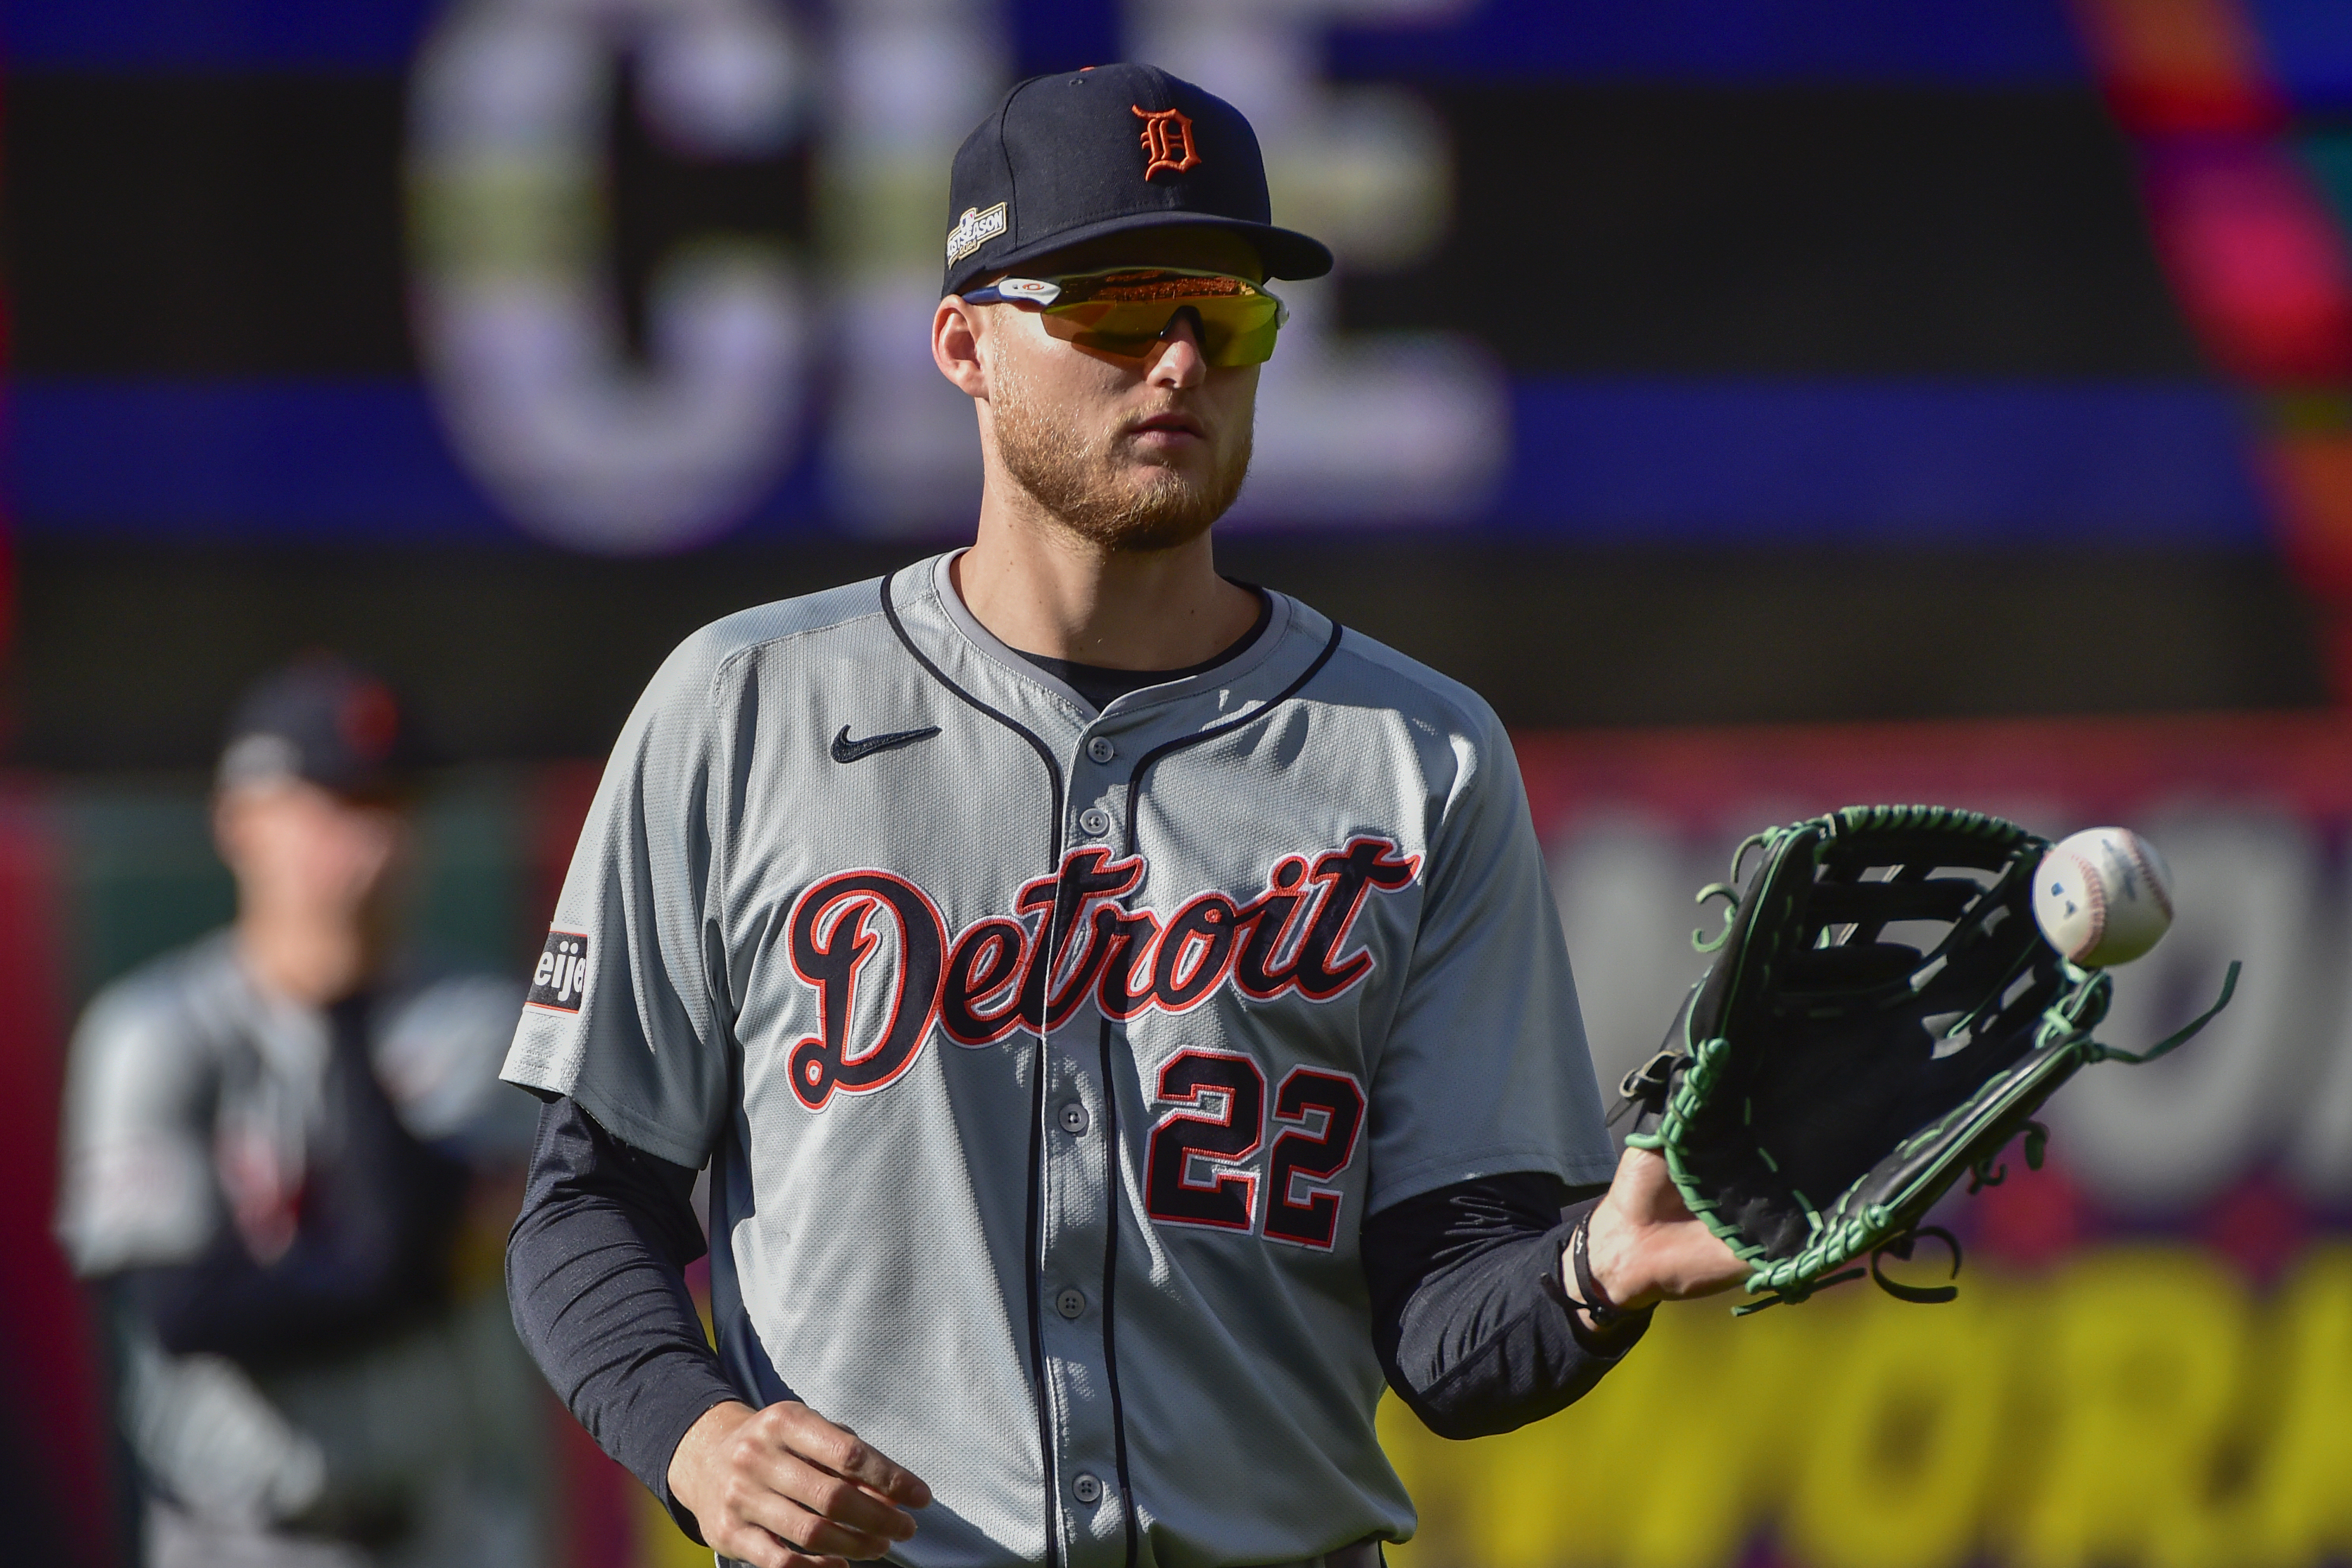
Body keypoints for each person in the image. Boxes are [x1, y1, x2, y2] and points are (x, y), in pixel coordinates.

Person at [502, 63, 1747, 1568]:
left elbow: (1447, 1324)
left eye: (1221, 313)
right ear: (965, 344)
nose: (1174, 363)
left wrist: (1593, 1272)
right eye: (1109, 306)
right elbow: (588, 1204)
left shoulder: (1422, 759)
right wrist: (699, 1442)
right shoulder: (741, 708)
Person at [56, 657, 545, 1568]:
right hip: (229, 1538)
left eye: (395, 805)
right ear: (240, 820)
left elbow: (405, 1257)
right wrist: (362, 1270)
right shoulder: (153, 1030)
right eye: (336, 801)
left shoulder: (485, 1022)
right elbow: (189, 1310)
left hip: (450, 1532)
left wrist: (341, 1008)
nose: (375, 842)